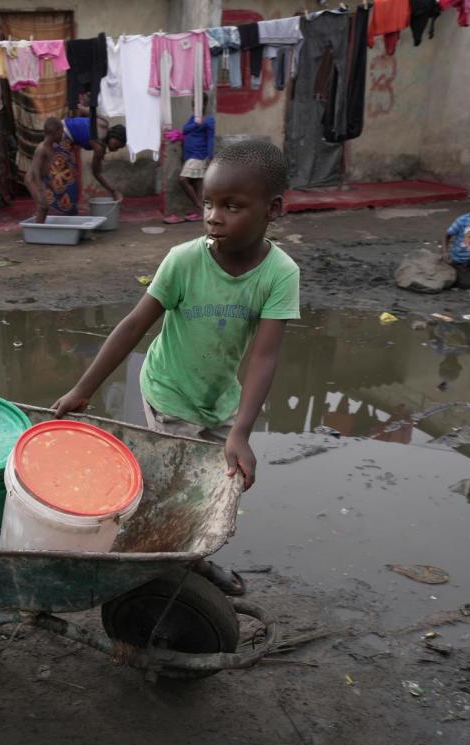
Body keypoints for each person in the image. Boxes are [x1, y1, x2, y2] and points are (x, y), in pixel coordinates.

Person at [52, 139, 300, 596]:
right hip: (169, 391)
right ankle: (185, 566)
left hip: (218, 397)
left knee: (222, 484)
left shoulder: (280, 273)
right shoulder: (184, 261)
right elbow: (132, 327)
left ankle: (186, 554)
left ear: (273, 209)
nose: (214, 216)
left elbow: (265, 355)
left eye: (232, 206)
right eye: (208, 203)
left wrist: (241, 431)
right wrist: (83, 389)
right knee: (183, 487)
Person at [27, 114, 127, 223]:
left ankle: (54, 213)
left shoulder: (103, 123)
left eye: (120, 147)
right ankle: (56, 215)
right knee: (64, 179)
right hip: (62, 136)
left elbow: (84, 110)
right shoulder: (98, 147)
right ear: (114, 136)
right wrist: (112, 191)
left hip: (63, 132)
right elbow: (96, 172)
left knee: (62, 177)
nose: (117, 149)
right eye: (118, 144)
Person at [166, 100, 215, 225]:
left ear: (204, 105)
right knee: (198, 182)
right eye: (193, 104)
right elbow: (186, 129)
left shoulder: (209, 120)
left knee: (183, 179)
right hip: (190, 155)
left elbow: (210, 139)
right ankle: (198, 212)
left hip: (198, 155)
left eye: (197, 104)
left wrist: (210, 156)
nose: (195, 107)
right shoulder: (193, 119)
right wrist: (195, 124)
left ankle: (199, 206)